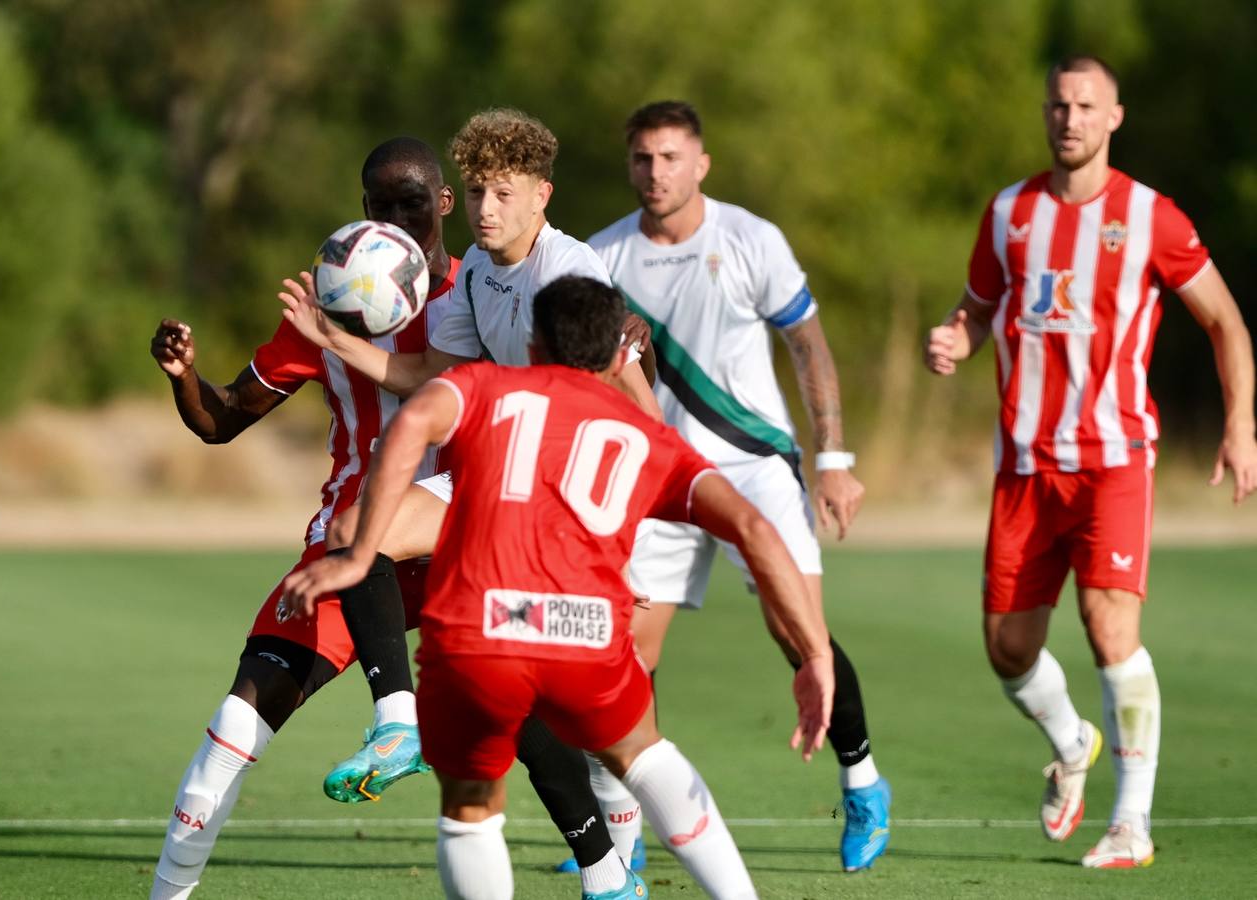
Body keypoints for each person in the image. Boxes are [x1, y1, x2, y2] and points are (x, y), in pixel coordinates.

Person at [146, 137, 622, 899]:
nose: (397, 218)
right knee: (238, 722)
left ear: (442, 204)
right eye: (381, 205)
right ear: (364, 208)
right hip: (356, 545)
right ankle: (169, 891)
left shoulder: (480, 288)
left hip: (465, 535)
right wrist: (184, 378)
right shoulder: (334, 297)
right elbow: (222, 419)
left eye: (413, 203)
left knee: (523, 715)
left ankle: (608, 874)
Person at [282, 275, 838, 900]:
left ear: (534, 341)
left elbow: (412, 422)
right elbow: (755, 529)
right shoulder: (650, 441)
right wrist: (814, 653)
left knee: (470, 805)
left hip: (477, 637)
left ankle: (404, 727)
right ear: (612, 357)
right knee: (646, 756)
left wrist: (361, 554)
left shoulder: (485, 387)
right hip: (586, 635)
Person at [277, 109, 656, 896]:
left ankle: (609, 871)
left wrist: (626, 534)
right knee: (360, 531)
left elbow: (635, 407)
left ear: (541, 196)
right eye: (478, 191)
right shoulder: (479, 275)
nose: (485, 209)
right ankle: (399, 723)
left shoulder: (570, 272)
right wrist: (335, 339)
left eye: (503, 194)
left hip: (557, 499)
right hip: (496, 479)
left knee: (527, 699)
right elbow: (430, 377)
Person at [922, 55, 1257, 868]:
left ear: (1113, 118)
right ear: (1045, 114)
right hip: (1023, 468)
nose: (1068, 117)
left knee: (1109, 627)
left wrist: (1239, 423)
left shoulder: (1151, 217)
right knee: (1006, 646)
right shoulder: (1008, 212)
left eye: (1085, 105)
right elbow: (976, 307)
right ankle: (1072, 742)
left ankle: (1130, 825)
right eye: (1057, 104)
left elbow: (1225, 323)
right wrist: (954, 338)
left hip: (1113, 459)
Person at [581, 100, 892, 873]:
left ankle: (861, 782)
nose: (656, 173)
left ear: (701, 164)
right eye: (642, 160)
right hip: (661, 478)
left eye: (670, 158)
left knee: (798, 634)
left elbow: (809, 346)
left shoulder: (751, 239)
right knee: (620, 655)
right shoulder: (601, 256)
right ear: (629, 166)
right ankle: (622, 833)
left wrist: (834, 460)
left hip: (754, 466)